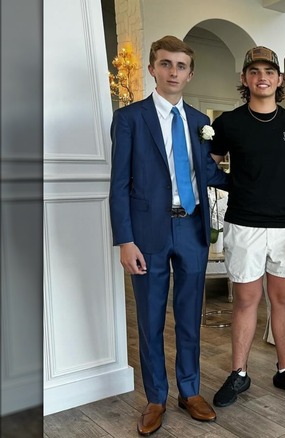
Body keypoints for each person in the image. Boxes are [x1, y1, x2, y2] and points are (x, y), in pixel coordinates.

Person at [108, 35, 228, 436]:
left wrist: (256, 179)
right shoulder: (130, 119)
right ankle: (156, 397)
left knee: (191, 317)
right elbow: (119, 184)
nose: (173, 72)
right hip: (147, 234)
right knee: (151, 318)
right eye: (166, 64)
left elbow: (207, 174)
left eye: (180, 66)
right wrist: (125, 240)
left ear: (190, 73)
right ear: (152, 69)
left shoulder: (199, 122)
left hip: (191, 228)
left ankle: (189, 391)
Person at [209, 46, 285, 408]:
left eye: (269, 71)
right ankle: (239, 373)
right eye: (254, 71)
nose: (262, 77)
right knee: (246, 301)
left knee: (282, 300)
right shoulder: (228, 123)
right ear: (244, 79)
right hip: (244, 224)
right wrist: (233, 183)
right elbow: (208, 166)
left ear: (280, 79)